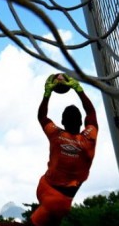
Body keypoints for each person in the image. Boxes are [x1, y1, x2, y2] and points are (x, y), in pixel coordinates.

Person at [30, 73, 98, 226]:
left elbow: (42, 116)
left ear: (62, 122)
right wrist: (78, 89)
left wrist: (47, 94)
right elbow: (91, 114)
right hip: (59, 199)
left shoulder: (56, 135)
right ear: (82, 122)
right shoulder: (89, 139)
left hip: (45, 188)